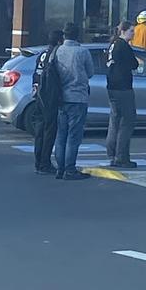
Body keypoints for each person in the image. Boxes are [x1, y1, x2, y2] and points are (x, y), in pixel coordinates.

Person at [54, 22, 94, 181]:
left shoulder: (58, 51)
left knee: (61, 134)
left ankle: (60, 168)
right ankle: (70, 169)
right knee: (74, 135)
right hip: (78, 96)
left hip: (61, 96)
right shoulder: (82, 52)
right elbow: (90, 73)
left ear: (64, 35)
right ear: (77, 35)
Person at [105, 21, 140, 169]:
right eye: (131, 31)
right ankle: (122, 157)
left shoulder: (113, 45)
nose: (134, 34)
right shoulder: (124, 46)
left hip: (112, 86)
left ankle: (112, 154)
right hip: (123, 87)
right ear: (123, 31)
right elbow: (134, 64)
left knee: (114, 121)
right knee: (127, 122)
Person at [32, 29, 63, 175]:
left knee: (39, 131)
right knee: (49, 131)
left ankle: (38, 162)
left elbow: (36, 74)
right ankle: (45, 163)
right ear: (59, 41)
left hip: (38, 95)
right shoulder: (54, 55)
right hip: (49, 96)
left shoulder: (43, 54)